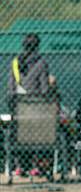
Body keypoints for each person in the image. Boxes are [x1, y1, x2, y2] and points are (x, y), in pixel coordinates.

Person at [7, 33, 50, 178]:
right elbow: (45, 90)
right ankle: (38, 166)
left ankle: (21, 166)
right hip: (38, 116)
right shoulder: (42, 63)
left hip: (20, 116)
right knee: (45, 126)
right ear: (37, 46)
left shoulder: (15, 63)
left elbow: (11, 90)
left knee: (20, 129)